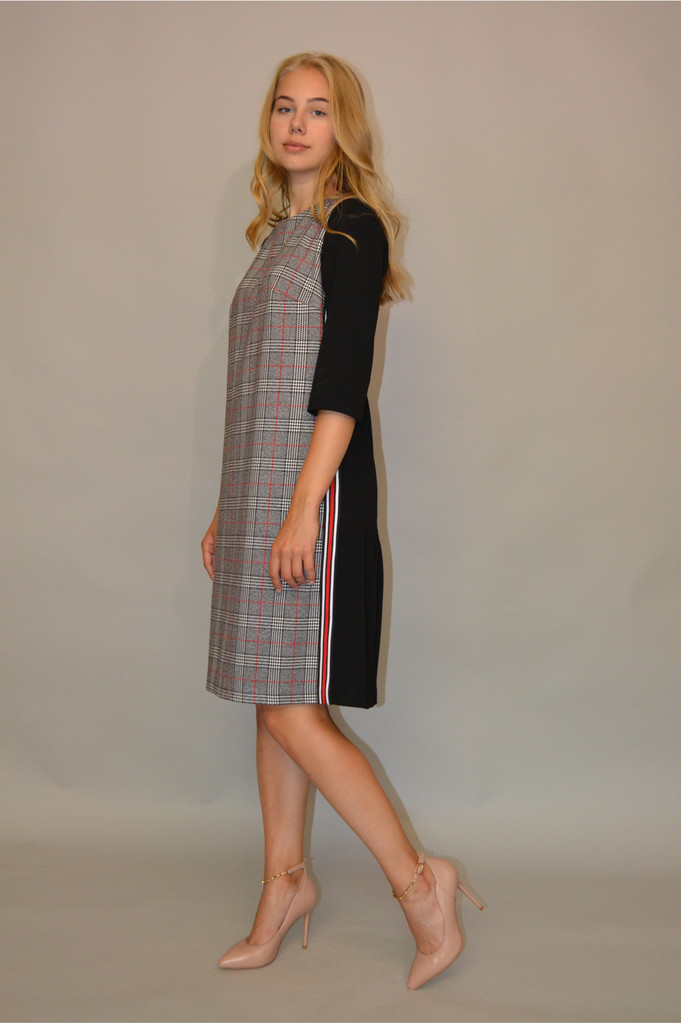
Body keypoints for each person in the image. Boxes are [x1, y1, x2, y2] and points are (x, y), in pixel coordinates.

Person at [201, 52, 481, 991]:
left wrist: (299, 511)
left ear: (343, 129)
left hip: (308, 495)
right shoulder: (276, 234)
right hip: (259, 495)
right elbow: (256, 391)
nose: (296, 124)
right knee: (271, 697)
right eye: (284, 107)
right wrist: (229, 507)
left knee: (292, 705)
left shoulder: (350, 227)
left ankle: (420, 885)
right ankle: (284, 887)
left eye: (317, 110)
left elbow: (338, 384)